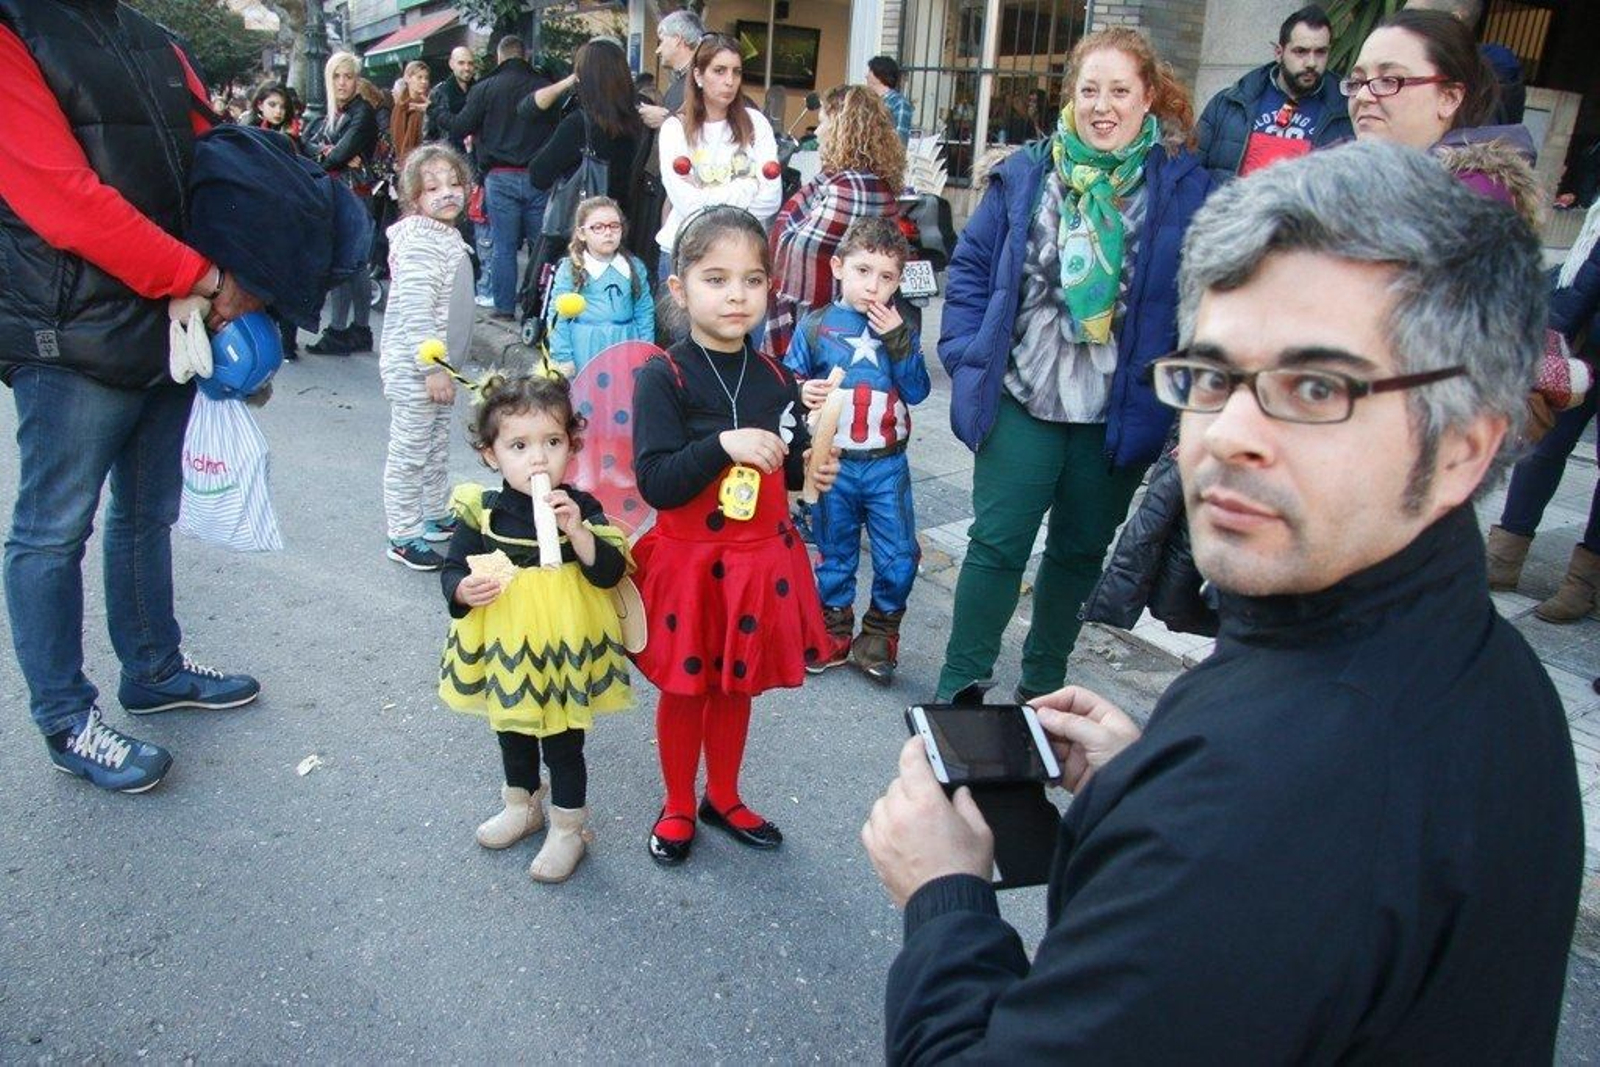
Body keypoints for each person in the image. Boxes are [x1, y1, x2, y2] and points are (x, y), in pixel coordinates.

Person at [863, 141, 1583, 1062]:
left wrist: (944, 898)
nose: (1229, 434)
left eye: (1317, 386)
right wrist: (1149, 777)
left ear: (1463, 450)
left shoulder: (1253, 814)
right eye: (1210, 376)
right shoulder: (1484, 667)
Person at [0, 0, 265, 794]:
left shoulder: (154, 38)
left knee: (148, 511)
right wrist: (204, 276)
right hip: (74, 329)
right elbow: (61, 198)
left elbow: (211, 166)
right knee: (52, 531)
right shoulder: (16, 29)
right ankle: (66, 717)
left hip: (168, 324)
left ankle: (152, 667)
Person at [933, 27, 1211, 705]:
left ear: (1149, 97)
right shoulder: (1027, 173)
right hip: (1024, 397)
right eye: (1090, 89)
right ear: (1071, 96)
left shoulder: (1185, 191)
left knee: (1078, 555)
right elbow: (969, 269)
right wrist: (968, 355)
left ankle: (1044, 690)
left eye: (1120, 90)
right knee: (997, 545)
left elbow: (1205, 295)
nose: (1103, 105)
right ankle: (959, 688)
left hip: (1115, 416)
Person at [630, 206, 839, 866]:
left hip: (756, 562)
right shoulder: (664, 375)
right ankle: (677, 803)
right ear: (680, 287)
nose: (735, 295)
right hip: (691, 562)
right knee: (687, 687)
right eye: (716, 278)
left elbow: (792, 466)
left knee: (735, 686)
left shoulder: (778, 378)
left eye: (751, 280)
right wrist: (722, 443)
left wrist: (813, 465)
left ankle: (722, 793)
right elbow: (657, 481)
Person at [439, 374, 634, 884]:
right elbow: (453, 569)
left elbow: (609, 572)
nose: (539, 459)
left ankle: (569, 828)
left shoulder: (582, 508)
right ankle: (522, 805)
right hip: (507, 644)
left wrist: (578, 531)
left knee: (565, 741)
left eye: (553, 442)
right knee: (512, 730)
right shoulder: (483, 512)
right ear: (490, 454)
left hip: (566, 644)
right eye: (519, 446)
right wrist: (462, 590)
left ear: (572, 445)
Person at [783, 217, 928, 682]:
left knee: (899, 554)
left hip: (887, 464)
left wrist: (899, 340)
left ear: (899, 281)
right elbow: (790, 382)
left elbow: (919, 390)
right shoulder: (816, 325)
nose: (874, 286)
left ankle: (879, 636)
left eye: (887, 277)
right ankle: (833, 632)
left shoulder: (901, 324)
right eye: (864, 272)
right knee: (834, 550)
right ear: (839, 267)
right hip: (835, 462)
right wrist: (803, 391)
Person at [1486, 200, 1600, 620]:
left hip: (1578, 341)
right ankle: (1503, 559)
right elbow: (1586, 276)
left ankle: (1583, 585)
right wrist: (1551, 334)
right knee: (1543, 449)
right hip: (1581, 348)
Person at [376, 144, 474, 572]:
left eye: (455, 184)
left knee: (434, 446)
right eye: (433, 187)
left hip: (438, 368)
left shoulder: (445, 237)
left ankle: (434, 514)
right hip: (419, 369)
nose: (447, 193)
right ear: (415, 197)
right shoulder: (419, 242)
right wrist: (432, 368)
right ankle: (402, 532)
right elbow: (417, 312)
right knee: (410, 450)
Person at [765, 84, 906, 361]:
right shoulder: (872, 183)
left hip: (823, 320)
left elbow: (801, 253)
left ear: (843, 128)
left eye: (822, 123)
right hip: (847, 316)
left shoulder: (848, 187)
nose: (817, 132)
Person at [452, 35, 564, 320]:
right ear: (525, 55)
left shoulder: (485, 88)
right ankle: (538, 308)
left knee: (503, 246)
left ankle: (503, 306)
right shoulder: (544, 86)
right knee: (540, 244)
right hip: (539, 176)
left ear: (500, 57)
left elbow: (460, 126)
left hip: (499, 177)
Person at [656, 35, 783, 287]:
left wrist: (705, 190)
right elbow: (686, 202)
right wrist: (747, 187)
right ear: (698, 75)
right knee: (684, 328)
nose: (729, 81)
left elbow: (770, 198)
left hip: (743, 255)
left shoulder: (756, 123)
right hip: (686, 254)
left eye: (736, 72)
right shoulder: (675, 128)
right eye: (719, 71)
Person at [1193, 4, 1352, 184]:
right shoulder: (1229, 103)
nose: (1311, 63)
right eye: (1301, 51)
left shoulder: (1345, 114)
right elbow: (1190, 171)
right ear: (1279, 52)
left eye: (1320, 52)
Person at [305, 52, 379, 355]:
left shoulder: (362, 112)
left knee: (348, 262)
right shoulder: (337, 113)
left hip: (356, 195)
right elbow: (308, 145)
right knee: (354, 264)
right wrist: (329, 151)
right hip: (344, 193)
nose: (342, 82)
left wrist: (328, 151)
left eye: (348, 76)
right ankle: (356, 329)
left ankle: (341, 330)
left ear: (357, 80)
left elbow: (333, 155)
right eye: (337, 76)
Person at [630, 10, 705, 281]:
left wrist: (665, 118)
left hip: (682, 188)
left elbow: (699, 126)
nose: (659, 50)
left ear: (678, 39)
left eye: (662, 40)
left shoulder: (696, 81)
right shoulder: (685, 81)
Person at [528, 39, 646, 210]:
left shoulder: (579, 125)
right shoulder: (643, 116)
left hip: (588, 222)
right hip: (631, 220)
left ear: (583, 78)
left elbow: (539, 175)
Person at [547, 197, 654, 375]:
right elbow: (558, 315)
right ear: (582, 233)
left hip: (625, 342)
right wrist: (563, 356)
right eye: (598, 227)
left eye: (614, 226)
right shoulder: (572, 267)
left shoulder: (634, 267)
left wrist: (645, 349)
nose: (608, 233)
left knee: (622, 395)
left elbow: (644, 310)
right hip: (585, 346)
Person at [1406, 0, 1524, 124]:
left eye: (1415, 15)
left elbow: (1481, 133)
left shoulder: (1493, 63)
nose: (1402, 22)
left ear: (1455, 19)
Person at [867, 56, 914, 145]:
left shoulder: (899, 103)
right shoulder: (869, 101)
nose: (866, 76)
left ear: (879, 75)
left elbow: (901, 140)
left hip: (885, 157)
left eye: (870, 71)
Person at [390, 60, 430, 165]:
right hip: (403, 163)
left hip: (424, 160)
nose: (424, 81)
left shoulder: (430, 105)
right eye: (419, 77)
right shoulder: (400, 107)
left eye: (426, 78)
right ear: (407, 78)